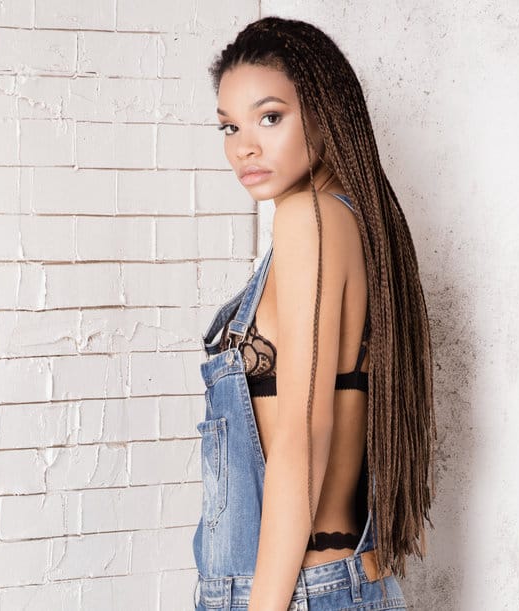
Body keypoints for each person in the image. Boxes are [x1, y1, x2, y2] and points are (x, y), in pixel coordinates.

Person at [193, 16, 436, 611]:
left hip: (292, 593)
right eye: (230, 126)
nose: (243, 145)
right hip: (333, 583)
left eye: (269, 117)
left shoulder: (309, 220)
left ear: (324, 112)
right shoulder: (347, 218)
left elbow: (305, 431)